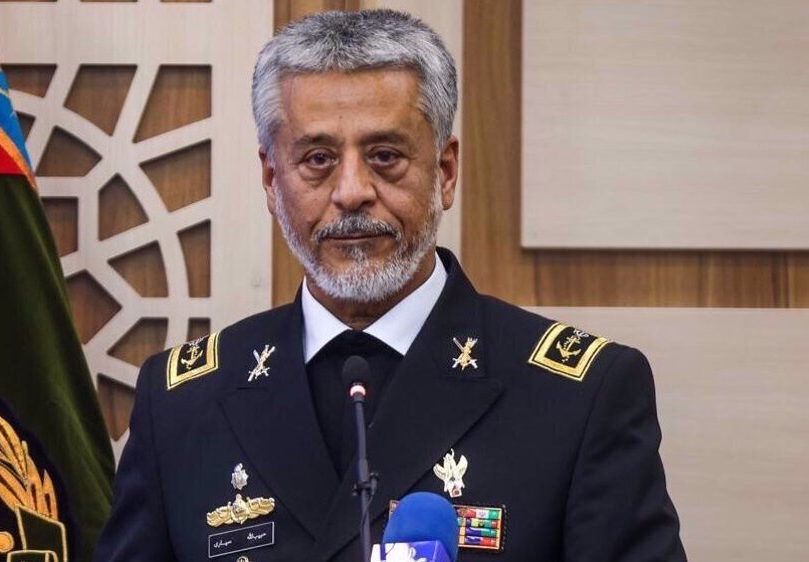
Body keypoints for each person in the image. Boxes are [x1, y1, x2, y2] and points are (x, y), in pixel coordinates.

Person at [96, 9, 686, 562]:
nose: (351, 191)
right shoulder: (180, 405)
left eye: (384, 156)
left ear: (445, 172)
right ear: (272, 181)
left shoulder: (581, 397)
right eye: (318, 160)